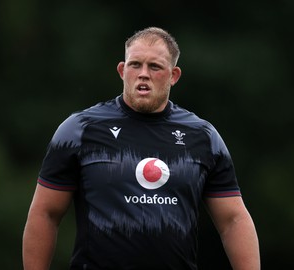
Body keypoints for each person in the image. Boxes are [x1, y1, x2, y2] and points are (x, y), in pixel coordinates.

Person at [22, 26, 260, 270]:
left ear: (173, 75)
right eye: (135, 65)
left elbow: (233, 220)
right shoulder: (80, 129)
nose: (143, 74)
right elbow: (46, 213)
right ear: (122, 70)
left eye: (154, 67)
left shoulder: (202, 137)